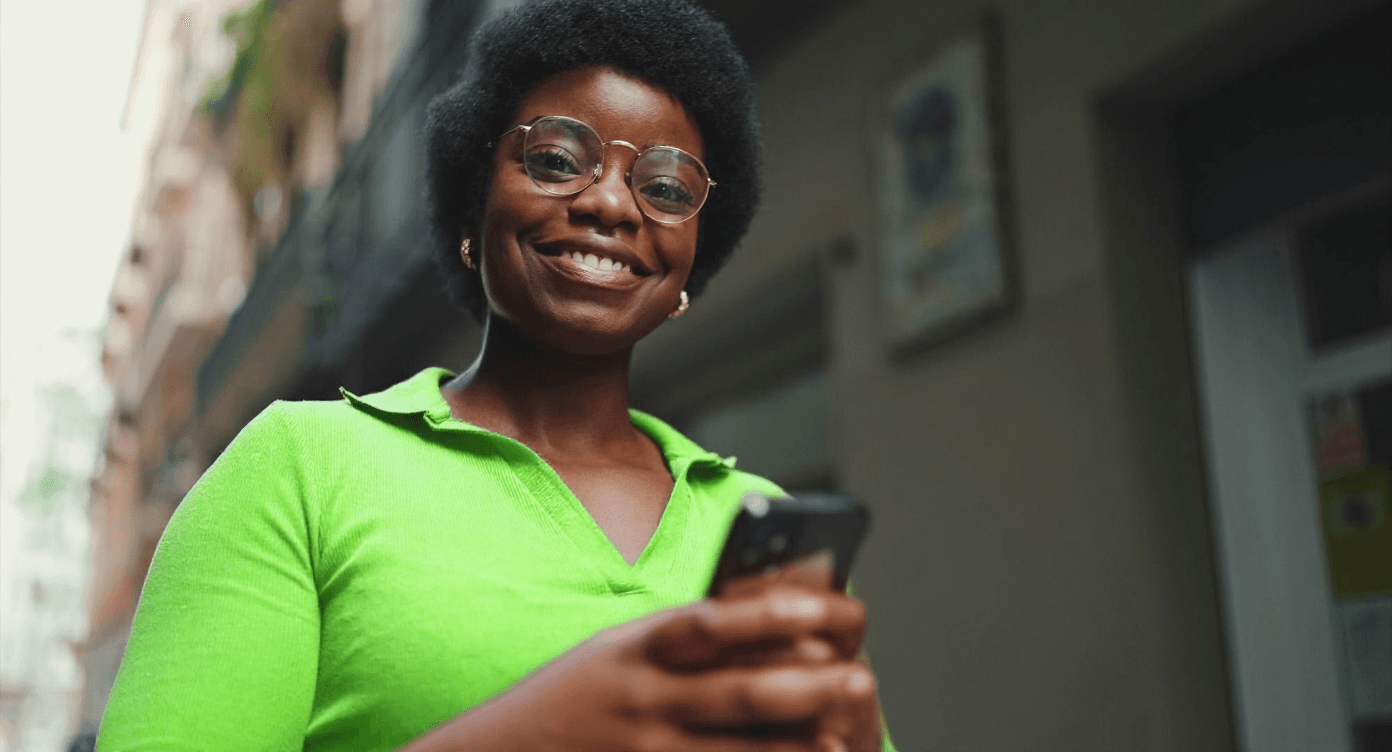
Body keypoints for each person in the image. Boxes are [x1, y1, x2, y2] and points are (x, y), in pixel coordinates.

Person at [98, 1, 894, 750]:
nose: (611, 204)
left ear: (691, 260)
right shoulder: (298, 468)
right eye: (555, 160)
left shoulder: (762, 519)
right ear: (474, 206)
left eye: (663, 189)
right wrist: (542, 728)